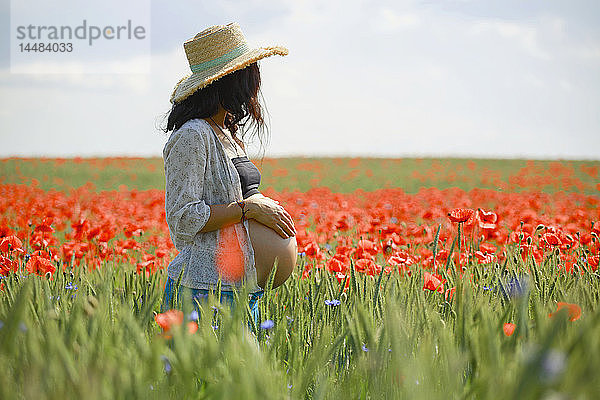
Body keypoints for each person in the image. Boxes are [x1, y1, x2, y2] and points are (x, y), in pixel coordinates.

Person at [160, 23, 298, 329]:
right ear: (230, 80)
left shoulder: (225, 132)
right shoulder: (193, 135)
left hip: (240, 289)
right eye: (249, 71)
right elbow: (183, 218)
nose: (255, 81)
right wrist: (249, 210)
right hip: (205, 291)